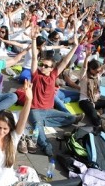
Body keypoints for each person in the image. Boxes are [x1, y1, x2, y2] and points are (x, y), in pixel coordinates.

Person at [28, 26, 83, 157]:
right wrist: (34, 39)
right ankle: (46, 146)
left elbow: (65, 61)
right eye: (42, 64)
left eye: (46, 66)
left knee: (71, 118)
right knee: (38, 128)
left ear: (51, 68)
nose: (42, 67)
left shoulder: (53, 75)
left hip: (48, 110)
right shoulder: (35, 75)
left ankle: (45, 122)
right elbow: (35, 58)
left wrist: (75, 46)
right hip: (35, 110)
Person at [0, 75, 34, 186]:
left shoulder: (13, 138)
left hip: (10, 182)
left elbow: (22, 120)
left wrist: (29, 100)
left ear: (10, 129)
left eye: (5, 129)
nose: (1, 131)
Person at [79, 46, 105, 129]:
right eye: (96, 71)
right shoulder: (84, 76)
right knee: (95, 119)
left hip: (96, 101)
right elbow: (84, 68)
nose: (98, 72)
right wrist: (87, 57)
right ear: (91, 69)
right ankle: (98, 121)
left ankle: (100, 112)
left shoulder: (98, 75)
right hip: (85, 101)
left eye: (99, 71)